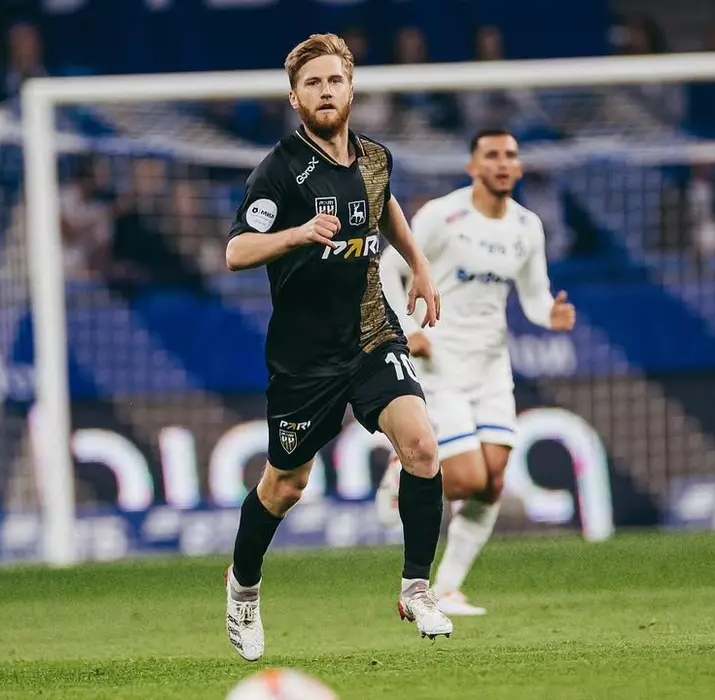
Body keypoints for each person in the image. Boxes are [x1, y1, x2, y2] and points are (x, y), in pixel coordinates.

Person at [224, 33, 452, 662]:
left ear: (351, 88)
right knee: (285, 486)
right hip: (305, 357)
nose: (325, 92)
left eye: (334, 81)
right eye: (312, 84)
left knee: (422, 446)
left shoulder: (375, 158)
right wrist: (297, 234)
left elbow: (383, 204)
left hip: (372, 333)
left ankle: (417, 588)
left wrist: (419, 264)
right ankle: (243, 588)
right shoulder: (277, 170)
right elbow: (236, 251)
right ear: (294, 98)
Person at [375, 129, 577, 616]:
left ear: (519, 167)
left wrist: (548, 314)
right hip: (440, 360)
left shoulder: (527, 227)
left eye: (510, 155)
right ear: (472, 166)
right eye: (492, 155)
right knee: (466, 478)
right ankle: (402, 475)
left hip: (491, 366)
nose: (502, 163)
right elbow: (388, 267)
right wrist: (408, 328)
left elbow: (534, 294)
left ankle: (446, 589)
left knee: (493, 482)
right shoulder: (443, 216)